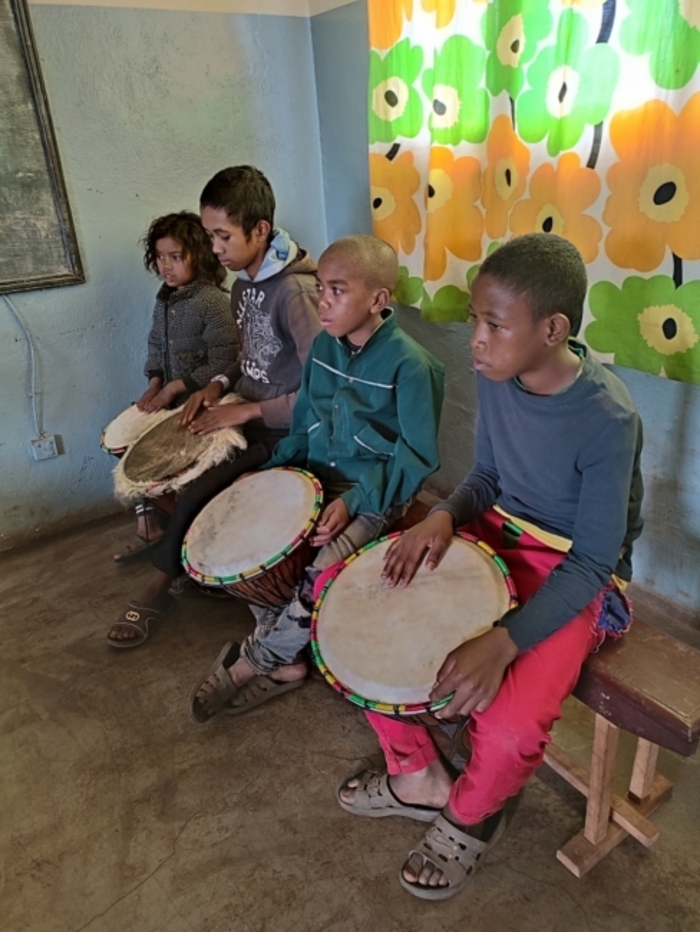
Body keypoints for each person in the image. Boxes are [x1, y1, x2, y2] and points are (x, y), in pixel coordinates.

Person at [337, 233, 644, 901]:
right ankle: (420, 775)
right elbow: (488, 476)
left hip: (575, 574)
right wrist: (444, 516)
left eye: (493, 324)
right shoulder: (498, 371)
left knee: (509, 722)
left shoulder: (606, 417)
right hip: (495, 531)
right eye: (476, 319)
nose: (475, 339)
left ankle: (471, 817)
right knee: (361, 606)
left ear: (552, 329)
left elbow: (594, 561)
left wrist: (504, 642)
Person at [189, 234, 446, 720]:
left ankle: (257, 660)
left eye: (336, 290)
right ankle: (286, 657)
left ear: (378, 299)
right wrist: (273, 476)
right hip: (314, 477)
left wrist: (354, 501)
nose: (322, 302)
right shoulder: (325, 350)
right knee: (250, 544)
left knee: (319, 570)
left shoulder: (413, 366)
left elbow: (416, 458)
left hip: (373, 494)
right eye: (322, 288)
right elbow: (306, 422)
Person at [107, 166, 320, 648]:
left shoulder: (296, 294)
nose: (216, 248)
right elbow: (252, 362)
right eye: (209, 235)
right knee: (170, 450)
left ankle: (157, 585)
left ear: (260, 230)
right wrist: (219, 386)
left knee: (201, 485)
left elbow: (322, 392)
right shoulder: (246, 286)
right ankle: (190, 561)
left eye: (222, 235)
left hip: (289, 431)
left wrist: (244, 412)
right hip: (249, 407)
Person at [114, 211, 237, 562]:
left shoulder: (213, 301)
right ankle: (152, 526)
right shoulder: (165, 298)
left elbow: (225, 361)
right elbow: (156, 344)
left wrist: (176, 388)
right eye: (159, 257)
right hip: (169, 399)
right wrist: (155, 383)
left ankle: (193, 537)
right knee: (126, 447)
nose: (165, 266)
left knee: (181, 475)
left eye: (176, 257)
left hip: (201, 404)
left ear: (199, 253)